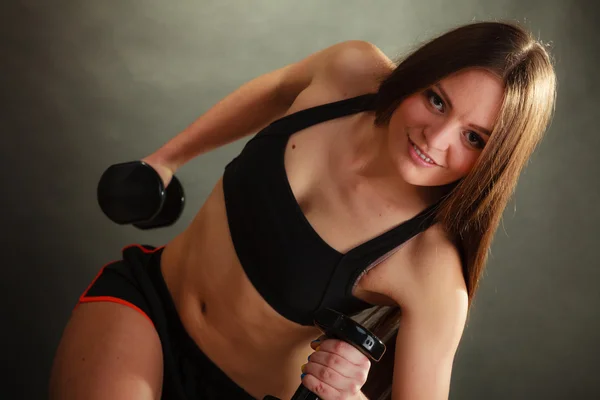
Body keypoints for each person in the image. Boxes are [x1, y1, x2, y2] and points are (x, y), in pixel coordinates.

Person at [49, 20, 557, 400]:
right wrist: (165, 160)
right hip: (149, 302)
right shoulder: (349, 74)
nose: (437, 138)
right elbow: (274, 91)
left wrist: (349, 398)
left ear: (495, 161)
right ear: (420, 75)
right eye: (437, 100)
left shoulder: (432, 271)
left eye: (474, 138)